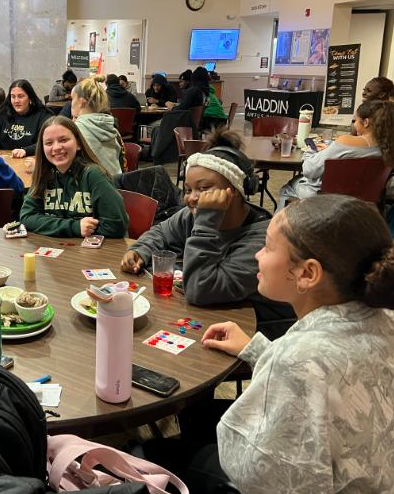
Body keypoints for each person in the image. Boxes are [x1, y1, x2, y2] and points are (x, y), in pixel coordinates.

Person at [197, 195, 394, 494]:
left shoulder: (299, 359)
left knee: (193, 454)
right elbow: (342, 386)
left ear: (308, 273)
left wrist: (279, 360)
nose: (258, 254)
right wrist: (260, 351)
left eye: (268, 247)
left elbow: (276, 483)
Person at [121, 129, 294, 338]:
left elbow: (200, 290)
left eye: (203, 188)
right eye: (187, 189)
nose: (192, 198)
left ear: (235, 190)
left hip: (256, 335)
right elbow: (161, 232)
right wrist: (141, 250)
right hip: (210, 320)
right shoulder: (191, 216)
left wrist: (207, 221)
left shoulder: (262, 241)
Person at [279, 99, 394, 206]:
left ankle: (279, 230)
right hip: (364, 203)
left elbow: (310, 170)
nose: (354, 125)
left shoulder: (346, 142)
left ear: (366, 122)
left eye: (355, 121)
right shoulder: (392, 148)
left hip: (325, 200)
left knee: (288, 188)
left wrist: (310, 152)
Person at [20, 116, 128, 238]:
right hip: (61, 247)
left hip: (98, 251)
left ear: (78, 144)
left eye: (64, 140)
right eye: (49, 143)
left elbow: (116, 225)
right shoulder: (43, 175)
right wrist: (75, 227)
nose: (56, 148)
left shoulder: (94, 174)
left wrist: (85, 229)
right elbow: (27, 217)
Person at [150, 67, 209, 164]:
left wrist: (172, 107)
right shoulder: (204, 92)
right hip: (191, 124)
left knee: (156, 128)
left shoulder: (193, 91)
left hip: (182, 123)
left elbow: (181, 109)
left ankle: (156, 155)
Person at [0, 79, 51, 158]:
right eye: (13, 97)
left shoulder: (43, 116)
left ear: (30, 98)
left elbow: (47, 142)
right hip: (3, 161)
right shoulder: (0, 115)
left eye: (20, 96)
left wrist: (26, 150)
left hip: (31, 160)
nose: (16, 101)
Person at [71, 75, 123, 176]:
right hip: (116, 185)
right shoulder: (111, 127)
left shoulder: (76, 130)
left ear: (82, 102)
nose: (71, 103)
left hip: (92, 186)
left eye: (72, 98)